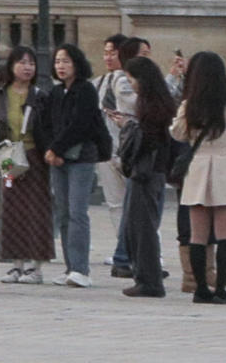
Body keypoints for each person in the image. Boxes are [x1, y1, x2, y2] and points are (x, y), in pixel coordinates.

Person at [173, 50, 226, 305]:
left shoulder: (189, 105)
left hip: (198, 167)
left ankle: (200, 289)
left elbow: (177, 134)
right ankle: (220, 288)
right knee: (225, 234)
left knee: (198, 235)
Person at [43, 43, 106, 288]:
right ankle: (70, 266)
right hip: (57, 158)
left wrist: (56, 148)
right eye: (58, 61)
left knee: (78, 211)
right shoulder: (56, 92)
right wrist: (51, 149)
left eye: (66, 61)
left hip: (81, 157)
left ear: (77, 64)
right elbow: (47, 123)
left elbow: (81, 124)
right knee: (63, 212)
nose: (61, 66)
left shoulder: (86, 90)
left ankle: (81, 268)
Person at [0, 44, 53, 285]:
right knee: (12, 209)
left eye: (31, 63)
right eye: (22, 62)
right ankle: (16, 264)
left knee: (36, 210)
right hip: (8, 157)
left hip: (34, 156)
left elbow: (47, 127)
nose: (27, 68)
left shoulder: (40, 95)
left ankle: (35, 266)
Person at [116, 54, 176, 298]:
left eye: (132, 78)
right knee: (138, 225)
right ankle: (145, 277)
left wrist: (127, 127)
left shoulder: (153, 105)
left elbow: (148, 140)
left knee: (142, 226)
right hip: (151, 171)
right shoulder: (157, 102)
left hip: (147, 171)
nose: (131, 83)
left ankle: (149, 280)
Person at [95, 34, 137, 277]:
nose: (108, 57)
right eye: (106, 52)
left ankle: (149, 251)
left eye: (113, 52)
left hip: (130, 148)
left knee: (139, 204)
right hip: (107, 148)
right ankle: (122, 248)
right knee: (115, 204)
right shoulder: (101, 82)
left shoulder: (133, 81)